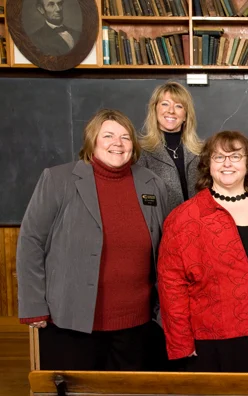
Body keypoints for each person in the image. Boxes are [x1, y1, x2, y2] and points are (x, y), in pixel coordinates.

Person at [16, 109, 169, 370]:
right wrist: (33, 305)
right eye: (108, 135)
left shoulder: (152, 183)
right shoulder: (57, 179)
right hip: (70, 321)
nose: (117, 144)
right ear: (92, 141)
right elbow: (30, 242)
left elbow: (165, 248)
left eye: (125, 137)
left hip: (138, 324)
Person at [158, 131, 248, 372]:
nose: (227, 163)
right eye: (219, 157)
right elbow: (171, 284)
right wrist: (180, 343)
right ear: (208, 165)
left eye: (236, 156)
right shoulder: (184, 218)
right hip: (212, 339)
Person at [138, 81, 203, 213]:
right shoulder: (141, 151)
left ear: (185, 115)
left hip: (198, 225)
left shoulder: (202, 151)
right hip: (162, 228)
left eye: (179, 106)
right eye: (165, 104)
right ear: (155, 109)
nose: (171, 111)